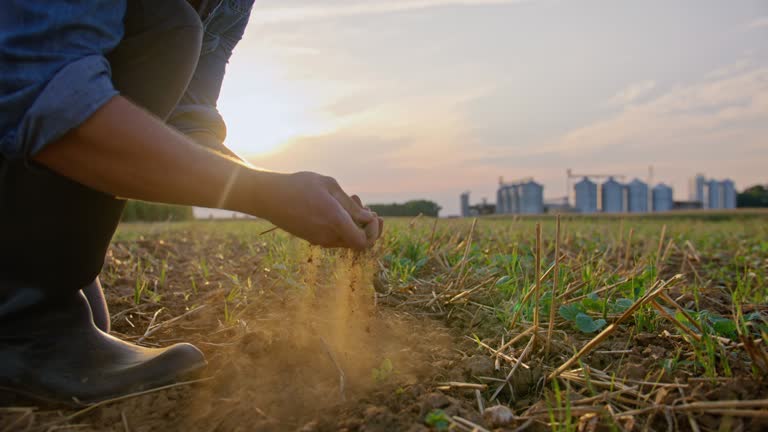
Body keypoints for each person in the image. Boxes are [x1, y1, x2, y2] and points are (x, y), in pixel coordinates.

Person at [0, 0, 383, 405]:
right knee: (166, 23)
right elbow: (35, 93)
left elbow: (185, 123)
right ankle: (19, 325)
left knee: (77, 320)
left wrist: (280, 188)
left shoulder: (231, 6)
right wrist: (264, 194)